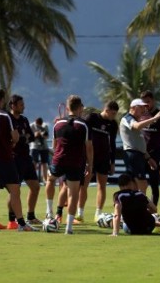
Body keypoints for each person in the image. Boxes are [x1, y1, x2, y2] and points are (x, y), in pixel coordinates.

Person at [0, 88, 37, 232]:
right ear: (2, 100)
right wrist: (11, 143)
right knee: (15, 191)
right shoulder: (6, 116)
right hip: (4, 157)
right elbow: (15, 137)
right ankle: (21, 224)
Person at [45, 94, 92, 235]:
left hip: (59, 159)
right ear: (80, 108)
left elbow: (54, 146)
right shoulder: (84, 125)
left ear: (67, 108)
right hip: (76, 163)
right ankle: (69, 228)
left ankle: (49, 211)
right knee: (73, 193)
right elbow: (89, 147)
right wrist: (90, 165)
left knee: (50, 179)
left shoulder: (57, 124)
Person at [8, 95, 42, 228]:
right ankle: (12, 219)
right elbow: (12, 139)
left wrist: (22, 137)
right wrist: (23, 137)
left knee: (35, 187)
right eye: (21, 105)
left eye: (23, 104)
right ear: (13, 105)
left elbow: (31, 137)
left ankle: (31, 216)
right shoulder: (8, 119)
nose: (23, 107)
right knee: (14, 190)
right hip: (14, 159)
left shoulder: (24, 120)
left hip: (26, 158)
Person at [120, 98, 160, 193]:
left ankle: (134, 206)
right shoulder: (127, 118)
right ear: (133, 108)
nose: (144, 110)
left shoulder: (133, 119)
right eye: (141, 107)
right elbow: (137, 126)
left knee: (134, 186)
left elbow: (139, 143)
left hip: (138, 155)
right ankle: (141, 206)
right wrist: (154, 118)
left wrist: (148, 158)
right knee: (142, 185)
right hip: (132, 155)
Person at [84, 101, 119, 221]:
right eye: (113, 113)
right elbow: (83, 135)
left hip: (104, 158)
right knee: (84, 184)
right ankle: (80, 212)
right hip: (90, 157)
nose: (114, 116)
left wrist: (112, 163)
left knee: (102, 186)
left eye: (116, 114)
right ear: (107, 110)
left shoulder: (113, 124)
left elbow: (113, 144)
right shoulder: (92, 118)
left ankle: (98, 213)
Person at [110, 172, 160, 236]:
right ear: (131, 183)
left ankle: (159, 224)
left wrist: (115, 232)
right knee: (142, 217)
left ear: (119, 185)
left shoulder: (118, 195)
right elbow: (154, 209)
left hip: (134, 229)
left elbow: (116, 215)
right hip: (149, 226)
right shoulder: (140, 194)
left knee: (123, 222)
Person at [140, 90, 160, 207]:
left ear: (153, 101)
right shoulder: (140, 115)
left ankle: (153, 212)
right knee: (140, 184)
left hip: (156, 155)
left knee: (154, 184)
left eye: (148, 102)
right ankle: (140, 209)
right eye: (144, 103)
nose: (146, 105)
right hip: (142, 154)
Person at [30, 117, 50, 184]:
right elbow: (29, 136)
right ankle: (33, 178)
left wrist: (42, 135)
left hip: (44, 146)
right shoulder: (32, 126)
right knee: (34, 162)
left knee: (44, 163)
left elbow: (47, 136)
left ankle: (45, 179)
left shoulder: (45, 126)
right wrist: (35, 135)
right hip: (34, 146)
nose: (39, 126)